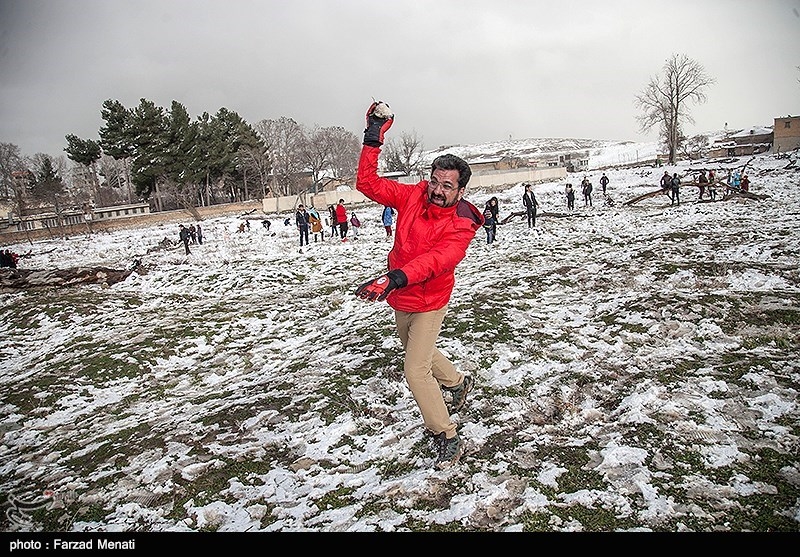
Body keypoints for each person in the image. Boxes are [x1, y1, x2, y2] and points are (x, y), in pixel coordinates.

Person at [354, 100, 483, 470]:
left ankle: (446, 434)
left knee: (415, 369)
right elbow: (367, 183)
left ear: (460, 191)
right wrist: (373, 137)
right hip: (400, 295)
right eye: (434, 181)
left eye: (447, 186)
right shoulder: (412, 195)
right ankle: (458, 383)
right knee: (418, 352)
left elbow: (438, 261)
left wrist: (393, 277)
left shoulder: (461, 223)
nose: (437, 190)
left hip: (428, 299)